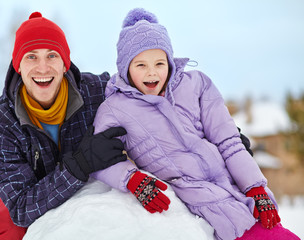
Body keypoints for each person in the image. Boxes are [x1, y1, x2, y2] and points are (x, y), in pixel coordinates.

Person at [91, 8, 300, 240]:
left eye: (159, 63)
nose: (152, 72)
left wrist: (255, 187)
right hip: (193, 198)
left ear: (169, 62)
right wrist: (131, 179)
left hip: (234, 188)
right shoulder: (114, 109)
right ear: (125, 67)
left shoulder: (197, 85)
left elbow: (228, 141)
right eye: (140, 65)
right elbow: (100, 159)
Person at [0, 12, 128, 240]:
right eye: (31, 57)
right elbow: (21, 208)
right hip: (27, 190)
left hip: (90, 184)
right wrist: (80, 164)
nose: (42, 68)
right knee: (9, 230)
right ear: (18, 65)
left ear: (64, 63)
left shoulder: (98, 92)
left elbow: (142, 90)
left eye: (51, 56)